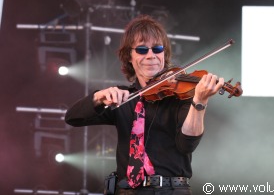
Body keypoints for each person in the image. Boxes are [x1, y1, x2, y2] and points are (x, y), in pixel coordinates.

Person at [65, 14, 225, 195]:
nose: (151, 56)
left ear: (164, 54)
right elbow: (72, 118)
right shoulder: (123, 97)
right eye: (142, 50)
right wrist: (99, 97)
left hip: (169, 190)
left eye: (157, 49)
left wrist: (200, 101)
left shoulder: (181, 96)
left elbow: (186, 145)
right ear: (129, 57)